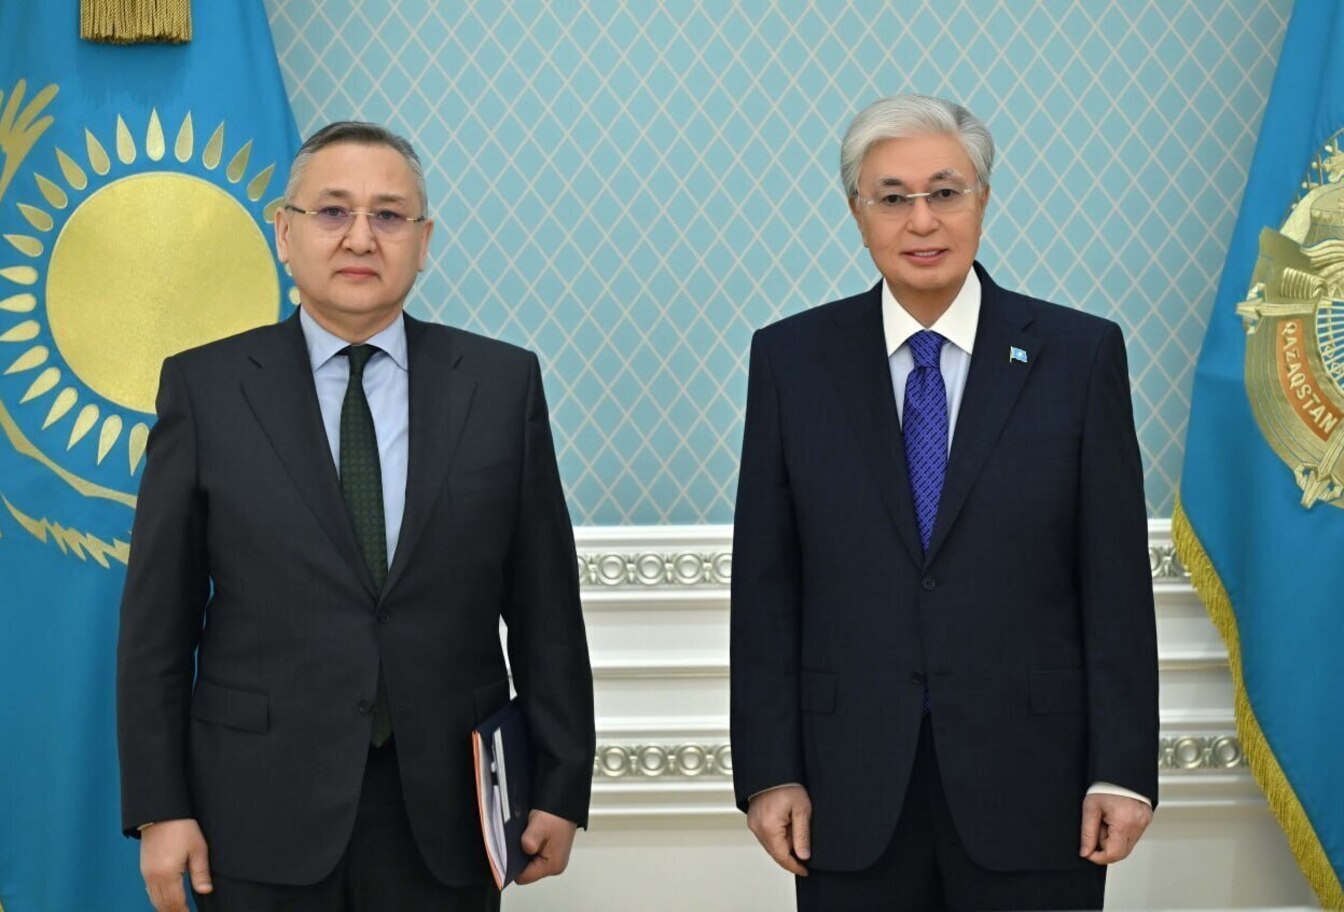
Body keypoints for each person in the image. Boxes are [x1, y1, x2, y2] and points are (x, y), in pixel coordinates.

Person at [117, 121, 594, 912]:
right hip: (257, 808)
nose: (361, 237)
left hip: (447, 812)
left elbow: (547, 609)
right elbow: (156, 627)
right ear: (285, 233)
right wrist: (161, 807)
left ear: (423, 240)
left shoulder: (500, 385)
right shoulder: (207, 390)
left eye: (389, 215)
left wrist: (561, 783)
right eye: (333, 211)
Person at [730, 94, 1158, 911]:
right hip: (848, 790)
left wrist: (1122, 770)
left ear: (982, 201)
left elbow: (1115, 584)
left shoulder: (1078, 355)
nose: (921, 220)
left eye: (945, 192)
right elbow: (766, 587)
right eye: (893, 197)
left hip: (1039, 787)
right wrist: (769, 769)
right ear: (857, 211)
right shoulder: (791, 359)